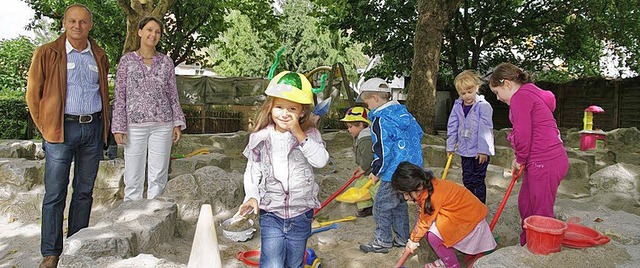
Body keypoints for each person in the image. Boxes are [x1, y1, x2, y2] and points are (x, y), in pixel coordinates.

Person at [25, 4, 110, 268]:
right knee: (55, 193)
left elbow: (103, 93)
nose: (77, 26)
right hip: (60, 131)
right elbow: (33, 95)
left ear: (90, 25)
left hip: (92, 130)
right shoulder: (47, 53)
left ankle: (76, 246)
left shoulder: (99, 55)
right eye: (72, 21)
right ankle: (51, 253)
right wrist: (46, 127)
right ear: (64, 22)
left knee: (84, 192)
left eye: (83, 22)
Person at [236, 71, 329, 267]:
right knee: (272, 263)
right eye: (279, 107)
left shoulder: (310, 135)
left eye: (292, 108)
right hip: (271, 212)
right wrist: (252, 195)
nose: (284, 113)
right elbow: (253, 170)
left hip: (301, 213)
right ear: (270, 108)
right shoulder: (261, 137)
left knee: (295, 263)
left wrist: (298, 133)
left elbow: (321, 161)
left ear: (302, 111)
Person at [488, 62, 569, 246]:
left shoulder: (520, 98)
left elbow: (523, 134)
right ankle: (527, 243)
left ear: (507, 83)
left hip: (545, 161)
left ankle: (543, 249)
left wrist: (520, 158)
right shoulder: (530, 92)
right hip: (543, 160)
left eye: (497, 92)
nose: (498, 98)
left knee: (541, 211)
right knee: (526, 203)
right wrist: (521, 160)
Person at [111, 17, 186, 202]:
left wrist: (177, 122)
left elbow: (172, 94)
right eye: (149, 30)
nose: (153, 35)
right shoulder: (126, 61)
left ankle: (156, 215)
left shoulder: (166, 62)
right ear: (139, 32)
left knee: (158, 175)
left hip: (162, 125)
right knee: (133, 175)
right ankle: (131, 217)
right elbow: (120, 95)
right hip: (134, 126)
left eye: (157, 32)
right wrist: (118, 126)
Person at [357, 78, 424, 253]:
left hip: (393, 172)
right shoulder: (404, 113)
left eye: (368, 103)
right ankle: (402, 238)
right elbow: (419, 132)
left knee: (381, 205)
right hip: (412, 169)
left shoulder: (380, 120)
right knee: (399, 203)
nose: (368, 107)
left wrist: (377, 171)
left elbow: (383, 150)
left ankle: (382, 240)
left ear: (375, 98)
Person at [392, 161, 497, 268]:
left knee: (432, 235)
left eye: (406, 193)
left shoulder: (432, 196)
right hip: (465, 216)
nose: (405, 198)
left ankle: (452, 264)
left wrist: (413, 241)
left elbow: (424, 223)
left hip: (471, 223)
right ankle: (446, 259)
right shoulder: (428, 185)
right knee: (433, 230)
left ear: (417, 186)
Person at [446, 70, 495, 203]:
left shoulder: (483, 106)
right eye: (463, 93)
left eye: (470, 91)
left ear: (476, 88)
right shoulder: (457, 107)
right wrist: (450, 145)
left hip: (480, 152)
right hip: (465, 150)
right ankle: (469, 205)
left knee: (478, 180)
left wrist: (483, 150)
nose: (467, 96)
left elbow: (486, 129)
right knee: (467, 179)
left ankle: (479, 207)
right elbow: (452, 126)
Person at [341, 106, 377, 217]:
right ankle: (367, 208)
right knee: (359, 187)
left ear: (361, 124)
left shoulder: (366, 137)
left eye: (351, 126)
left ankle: (382, 208)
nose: (349, 129)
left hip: (374, 172)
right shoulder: (361, 135)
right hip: (367, 171)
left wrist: (362, 167)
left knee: (375, 191)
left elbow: (368, 156)